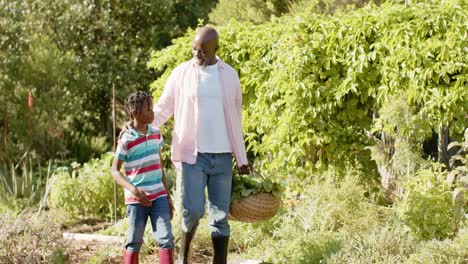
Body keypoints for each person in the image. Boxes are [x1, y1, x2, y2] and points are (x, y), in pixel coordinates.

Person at [152, 26, 252, 264]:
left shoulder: (229, 75)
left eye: (203, 50)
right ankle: (183, 259)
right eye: (194, 49)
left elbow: (235, 118)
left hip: (222, 156)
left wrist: (242, 157)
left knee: (220, 217)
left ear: (216, 48)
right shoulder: (181, 73)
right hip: (192, 156)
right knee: (193, 210)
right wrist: (140, 126)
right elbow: (164, 107)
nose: (197, 54)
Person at [111, 91, 175, 264]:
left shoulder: (156, 133)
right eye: (149, 109)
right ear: (135, 112)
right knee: (134, 241)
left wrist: (168, 197)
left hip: (159, 196)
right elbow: (115, 171)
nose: (153, 112)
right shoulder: (126, 139)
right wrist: (135, 191)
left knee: (166, 239)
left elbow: (159, 167)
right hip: (136, 200)